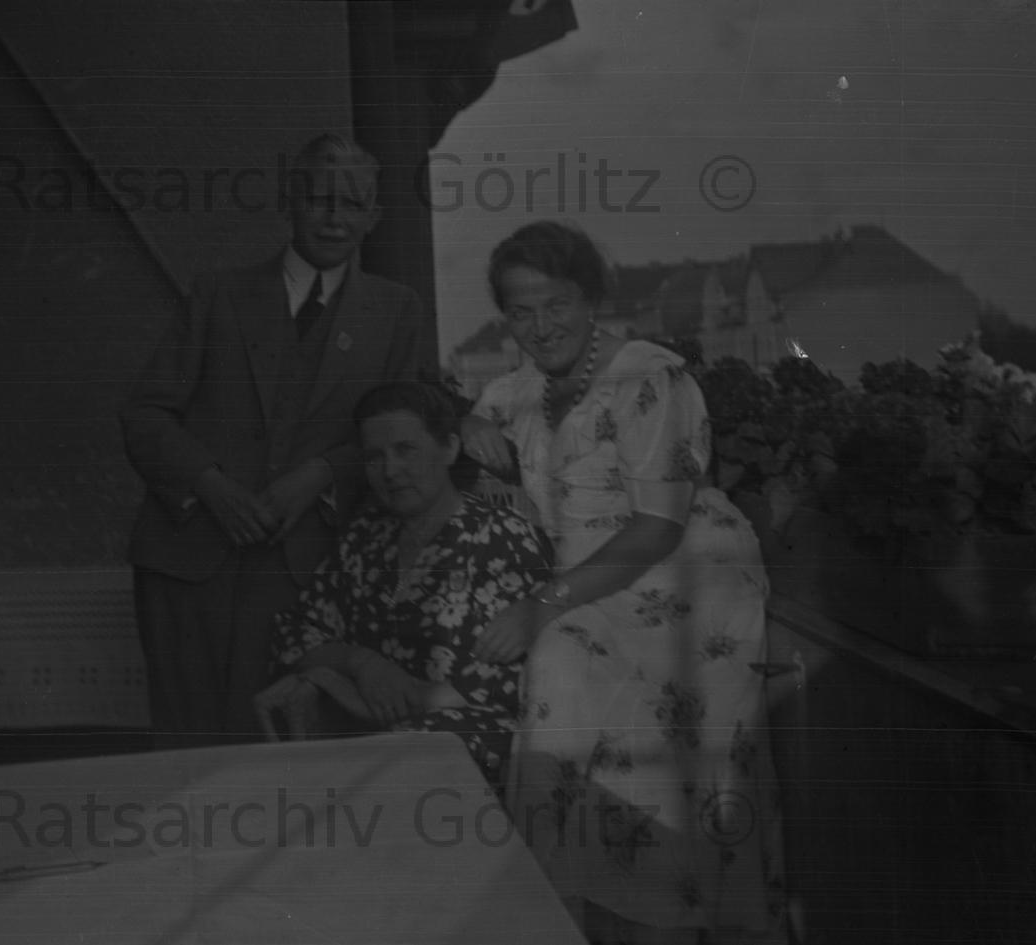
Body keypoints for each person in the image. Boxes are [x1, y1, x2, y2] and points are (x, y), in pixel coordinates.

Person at [461, 222, 786, 945]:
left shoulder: (649, 377)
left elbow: (658, 527)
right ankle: (571, 920)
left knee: (590, 692)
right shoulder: (512, 392)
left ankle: (666, 922)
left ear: (590, 299)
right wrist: (461, 421)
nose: (541, 326)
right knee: (560, 681)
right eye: (520, 311)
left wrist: (539, 605)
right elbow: (457, 426)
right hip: (589, 583)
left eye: (557, 304)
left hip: (679, 575)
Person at [120, 134, 430, 747]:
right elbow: (145, 415)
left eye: (352, 203)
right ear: (290, 202)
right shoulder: (219, 294)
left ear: (374, 216)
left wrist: (320, 474)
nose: (334, 218)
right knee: (187, 751)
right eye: (318, 199)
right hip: (188, 566)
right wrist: (210, 486)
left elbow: (403, 435)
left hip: (309, 575)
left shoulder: (395, 311)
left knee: (286, 757)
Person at [255, 382, 552, 787]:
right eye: (374, 457)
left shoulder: (503, 539)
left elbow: (514, 684)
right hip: (378, 744)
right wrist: (361, 663)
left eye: (405, 450)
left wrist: (374, 692)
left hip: (472, 744)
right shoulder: (365, 538)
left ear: (449, 449)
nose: (390, 471)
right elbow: (296, 633)